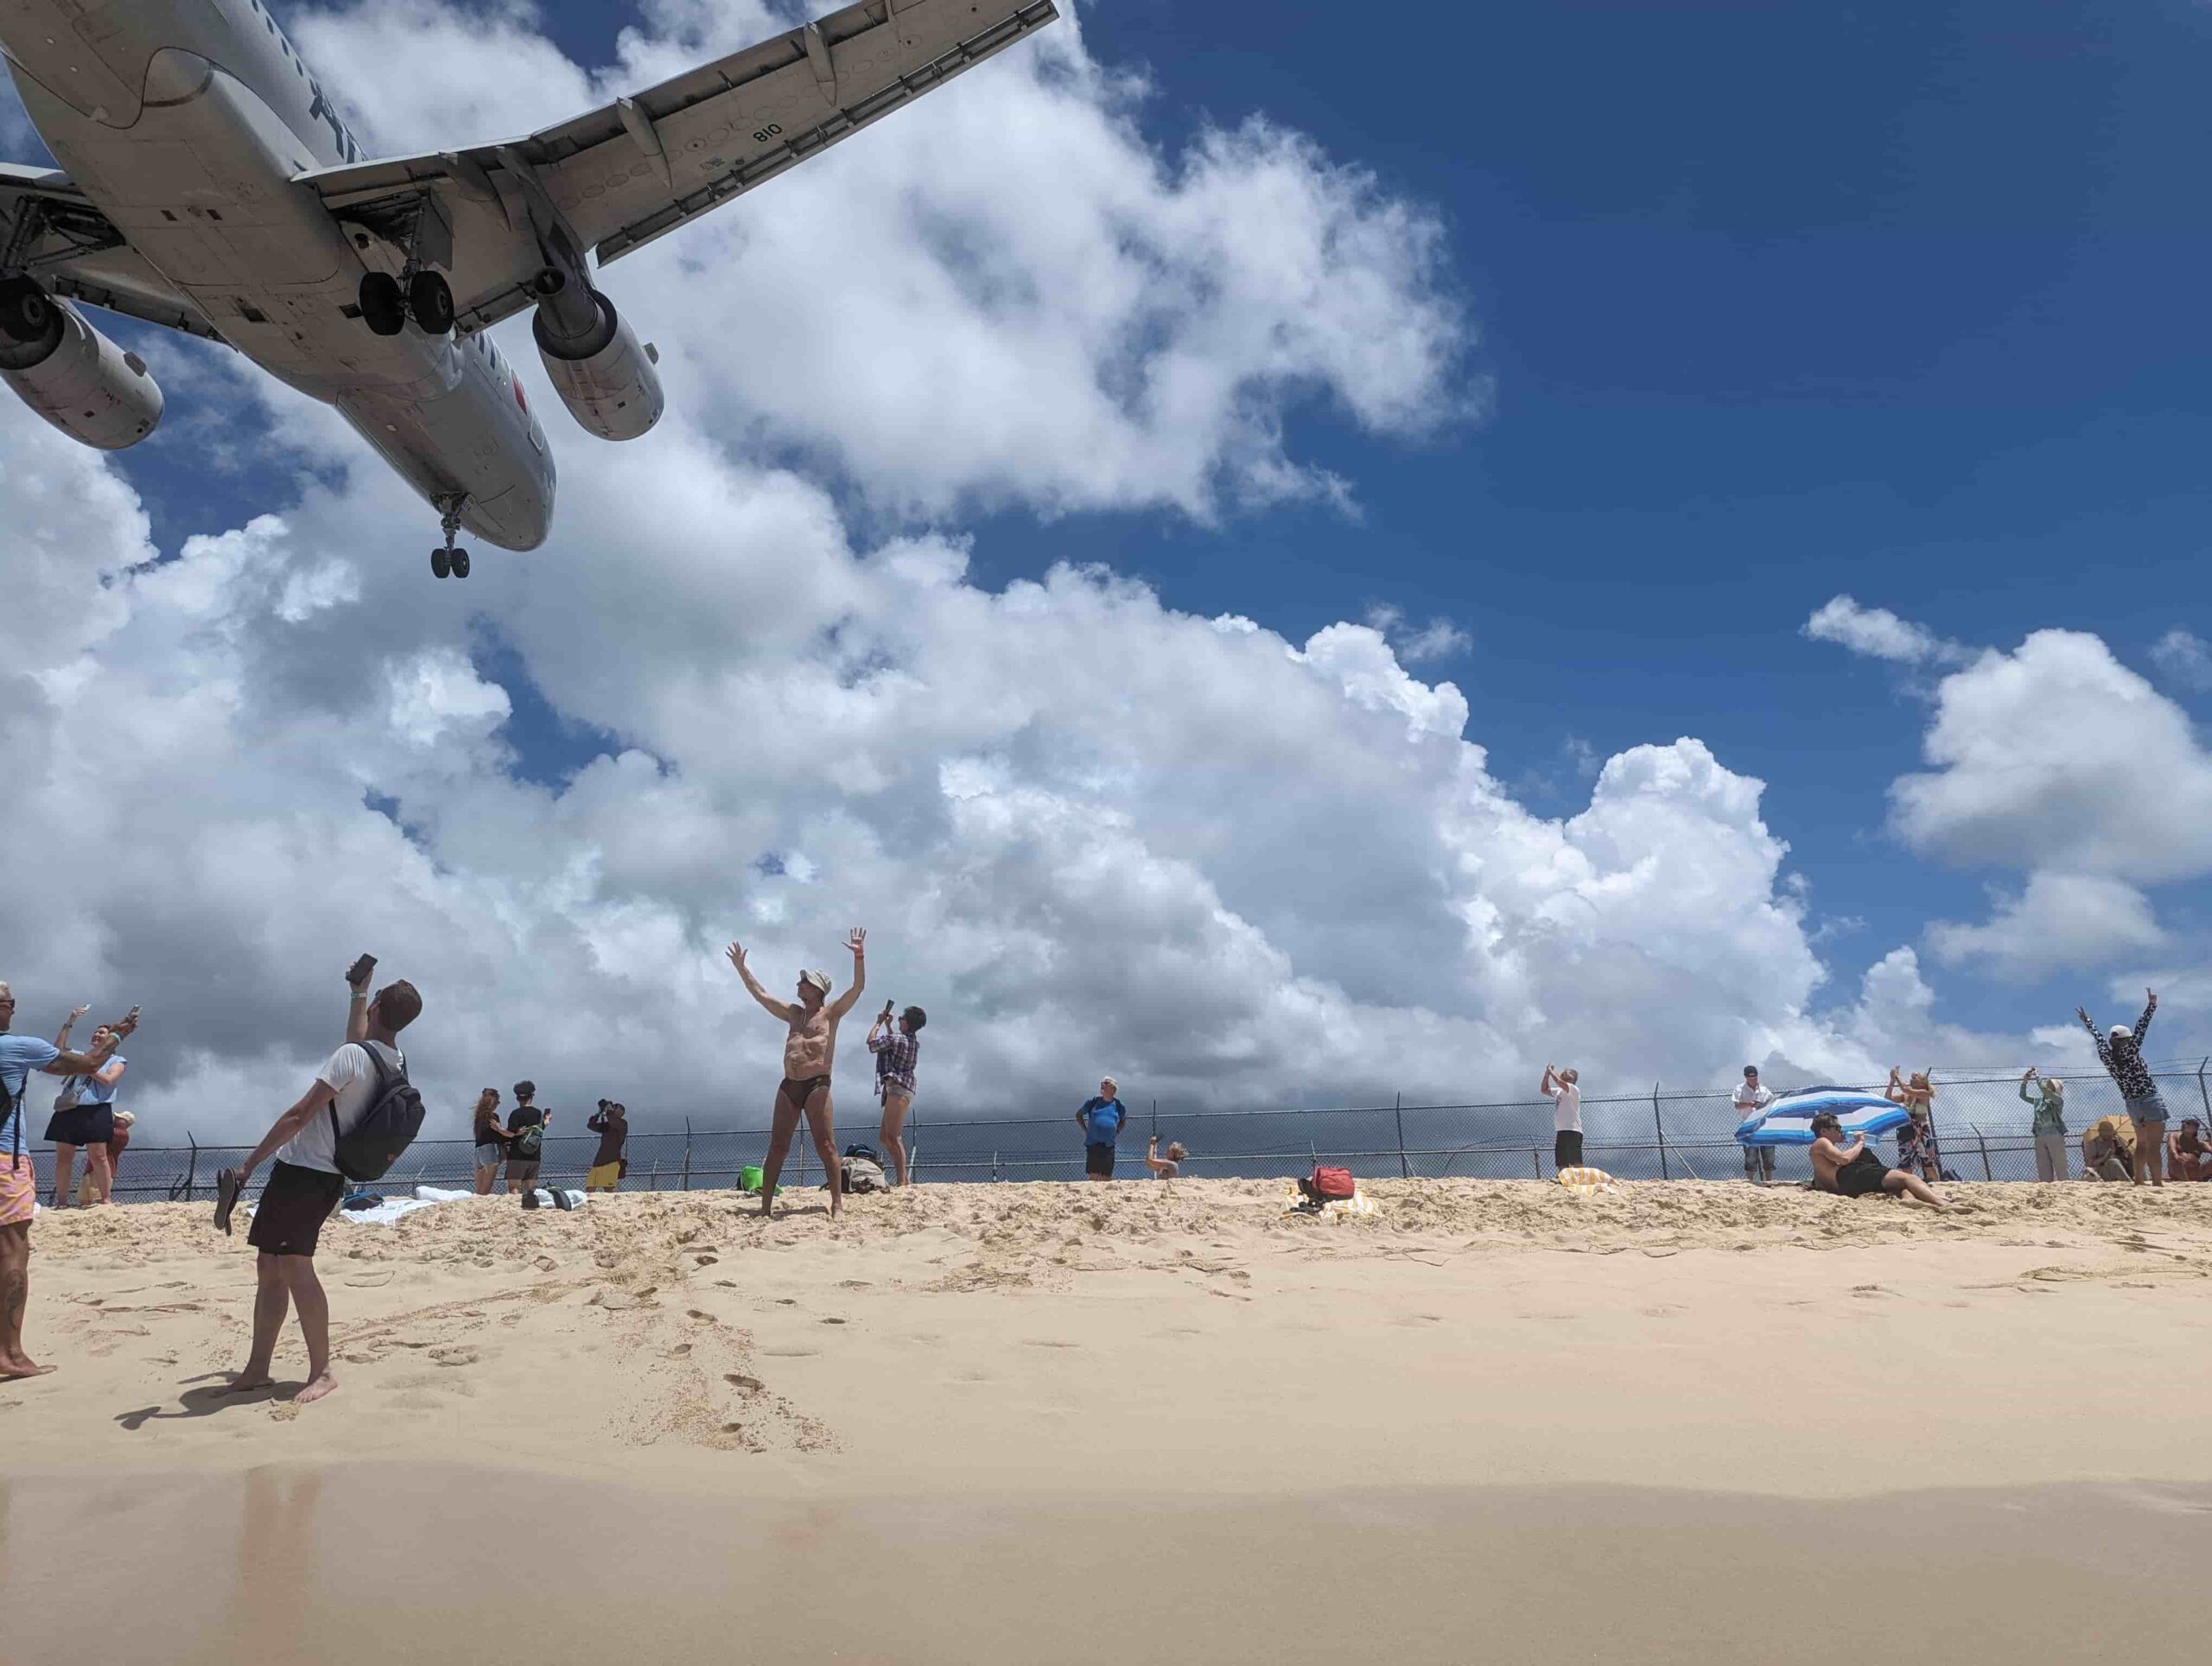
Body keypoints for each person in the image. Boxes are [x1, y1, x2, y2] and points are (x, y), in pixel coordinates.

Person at [216, 963, 422, 1405]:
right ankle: (257, 1368)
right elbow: (359, 1041)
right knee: (269, 1266)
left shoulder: (351, 1057)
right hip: (306, 1173)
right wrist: (358, 993)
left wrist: (249, 1164)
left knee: (294, 1267)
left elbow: (298, 1114)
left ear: (380, 1008)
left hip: (310, 1174)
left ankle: (323, 1371)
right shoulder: (390, 1059)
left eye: (373, 1001)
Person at [1, 982, 130, 1380]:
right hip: (5, 1160)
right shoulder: (14, 1046)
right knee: (12, 1255)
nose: (12, 1006)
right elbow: (90, 1064)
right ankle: (10, 1355)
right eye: (8, 1001)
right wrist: (119, 1034)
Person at [726, 929, 867, 1220]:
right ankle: (765, 1207)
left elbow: (858, 987)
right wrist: (742, 968)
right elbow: (761, 995)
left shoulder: (830, 1014)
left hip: (817, 1084)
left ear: (817, 989)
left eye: (804, 982)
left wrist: (859, 955)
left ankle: (837, 1204)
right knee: (778, 1146)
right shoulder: (793, 1013)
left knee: (825, 1145)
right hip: (789, 1085)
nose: (799, 985)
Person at [2079, 990, 2165, 1186]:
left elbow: (2099, 1038)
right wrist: (2151, 1005)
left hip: (2131, 1103)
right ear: (2127, 1039)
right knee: (2154, 1145)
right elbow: (2142, 1027)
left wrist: (2088, 1021)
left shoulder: (2107, 1057)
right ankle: (2158, 1182)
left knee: (2141, 1144)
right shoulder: (2131, 1050)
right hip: (2149, 1098)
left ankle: (2138, 1180)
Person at [43, 1008, 127, 1208]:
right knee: (64, 1157)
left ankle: (106, 1199)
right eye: (96, 1032)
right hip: (69, 1109)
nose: (97, 1035)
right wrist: (70, 1021)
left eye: (102, 1033)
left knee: (98, 1156)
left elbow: (109, 1080)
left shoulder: (117, 1061)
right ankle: (62, 1202)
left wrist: (89, 1066)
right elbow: (57, 1050)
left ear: (110, 1040)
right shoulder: (79, 1056)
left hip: (96, 1109)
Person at [1808, 1112, 1952, 1209]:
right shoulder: (1821, 1142)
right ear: (1823, 1131)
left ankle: (1908, 1197)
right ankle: (1940, 1203)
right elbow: (1845, 1159)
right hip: (1847, 1178)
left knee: (1894, 1182)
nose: (1841, 1130)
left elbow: (1824, 1178)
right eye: (1837, 1127)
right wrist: (1860, 1142)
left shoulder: (1820, 1153)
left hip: (1845, 1186)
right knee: (1908, 1177)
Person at [867, 1002, 925, 1188]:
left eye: (901, 1018)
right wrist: (890, 1026)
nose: (899, 1020)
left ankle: (902, 1181)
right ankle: (903, 1178)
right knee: (885, 1137)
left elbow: (872, 1043)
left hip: (898, 1089)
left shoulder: (899, 1039)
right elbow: (896, 1043)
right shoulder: (912, 1042)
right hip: (901, 1088)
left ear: (906, 1022)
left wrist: (878, 1023)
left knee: (894, 1137)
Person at [1888, 1071, 1941, 1182]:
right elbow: (1888, 1098)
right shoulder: (1905, 1095)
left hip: (1920, 1130)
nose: (1912, 1079)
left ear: (1922, 1082)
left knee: (1927, 1162)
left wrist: (1897, 1076)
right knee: (1905, 1162)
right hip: (1905, 1129)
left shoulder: (1924, 1093)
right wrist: (1892, 1081)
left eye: (1915, 1077)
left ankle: (1937, 1185)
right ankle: (1910, 1184)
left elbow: (1906, 1089)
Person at [505, 1080, 549, 1205]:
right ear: (532, 1095)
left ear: (517, 1098)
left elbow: (511, 1132)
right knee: (530, 1188)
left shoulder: (515, 1114)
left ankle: (515, 1208)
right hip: (534, 1154)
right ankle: (529, 1206)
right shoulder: (538, 1113)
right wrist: (546, 1121)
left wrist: (498, 1129)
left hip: (516, 1155)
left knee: (514, 1187)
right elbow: (540, 1129)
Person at [2021, 1069, 2069, 1182]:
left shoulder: (2058, 1100)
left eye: (2051, 1084)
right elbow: (2023, 1096)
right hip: (2040, 1136)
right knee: (2043, 1169)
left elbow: (2043, 1089)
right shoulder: (2039, 1101)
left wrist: (2037, 1076)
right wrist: (2024, 1082)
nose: (2048, 1085)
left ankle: (2066, 1186)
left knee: (2061, 1168)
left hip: (2055, 1136)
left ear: (2055, 1089)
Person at [1075, 1078, 1127, 1181]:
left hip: (1108, 1145)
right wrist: (1086, 1130)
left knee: (1106, 1176)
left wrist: (1117, 1131)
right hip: (1093, 1143)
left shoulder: (1118, 1105)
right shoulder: (1093, 1102)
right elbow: (1079, 1115)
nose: (1102, 1085)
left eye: (1106, 1083)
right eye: (1102, 1083)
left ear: (1113, 1088)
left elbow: (1123, 1121)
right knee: (1094, 1175)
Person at [1732, 1066, 1775, 1185]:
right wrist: (1750, 1104)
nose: (1753, 1078)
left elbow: (1772, 1104)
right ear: (1745, 1076)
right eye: (1750, 1076)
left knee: (1768, 1153)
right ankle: (1750, 1181)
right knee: (1750, 1154)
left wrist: (1762, 1106)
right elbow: (1737, 1105)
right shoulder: (1739, 1089)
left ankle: (1769, 1181)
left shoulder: (1764, 1090)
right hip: (1748, 1123)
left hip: (1764, 1123)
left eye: (1754, 1076)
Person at [1541, 1064, 1583, 1171]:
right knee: (1561, 1158)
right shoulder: (1559, 1091)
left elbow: (1559, 1082)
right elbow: (1544, 1089)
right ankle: (1563, 1177)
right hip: (1561, 1129)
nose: (1564, 1073)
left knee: (1575, 1158)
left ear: (1573, 1077)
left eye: (1567, 1072)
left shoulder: (1573, 1089)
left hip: (1573, 1129)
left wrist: (1551, 1071)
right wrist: (1547, 1075)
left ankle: (1580, 1177)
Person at [469, 1088, 509, 1195]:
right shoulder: (493, 1117)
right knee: (487, 1188)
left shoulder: (478, 1117)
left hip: (478, 1151)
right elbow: (498, 1136)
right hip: (489, 1150)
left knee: (479, 1190)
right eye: (498, 1102)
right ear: (494, 1102)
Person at [586, 1099, 628, 1192]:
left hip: (612, 1161)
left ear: (621, 1111)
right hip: (599, 1161)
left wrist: (608, 1110)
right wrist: (599, 1113)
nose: (613, 1109)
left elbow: (613, 1122)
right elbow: (591, 1126)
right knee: (589, 1187)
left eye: (615, 1108)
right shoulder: (609, 1125)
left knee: (608, 1188)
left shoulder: (623, 1123)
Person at [2167, 1118, 2209, 1183]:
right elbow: (2171, 1148)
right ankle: (2185, 1181)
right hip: (2178, 1168)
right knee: (2178, 1162)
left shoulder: (2200, 1143)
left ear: (2196, 1128)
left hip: (2196, 1171)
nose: (2189, 1126)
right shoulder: (2174, 1136)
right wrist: (2176, 1156)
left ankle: (2202, 1178)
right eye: (2187, 1124)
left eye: (2193, 1125)